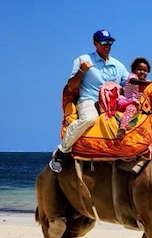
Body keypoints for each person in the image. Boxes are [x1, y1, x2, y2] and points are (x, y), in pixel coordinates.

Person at [49, 29, 129, 173]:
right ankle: (62, 152)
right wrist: (81, 71)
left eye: (110, 42)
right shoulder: (83, 60)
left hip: (112, 104)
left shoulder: (118, 65)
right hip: (89, 100)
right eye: (104, 42)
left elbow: (129, 83)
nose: (107, 45)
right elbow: (72, 85)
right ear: (95, 43)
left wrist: (148, 83)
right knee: (89, 119)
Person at [116, 57, 152, 140]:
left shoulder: (146, 82)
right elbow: (135, 82)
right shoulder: (132, 77)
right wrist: (151, 83)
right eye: (139, 69)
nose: (142, 72)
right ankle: (122, 127)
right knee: (131, 109)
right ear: (133, 70)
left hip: (141, 106)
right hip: (129, 102)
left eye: (145, 70)